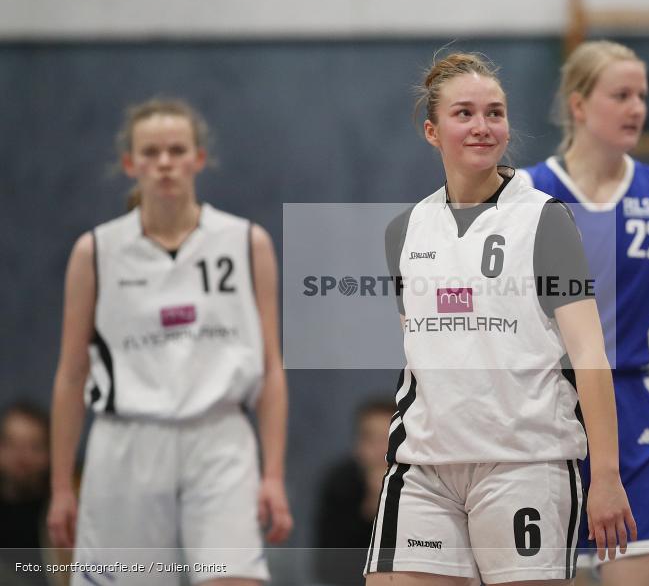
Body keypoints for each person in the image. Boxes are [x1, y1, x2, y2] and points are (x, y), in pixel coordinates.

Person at [365, 51, 636, 586]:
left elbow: (589, 354)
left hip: (525, 464)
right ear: (431, 131)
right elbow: (418, 356)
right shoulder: (405, 230)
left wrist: (605, 473)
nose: (483, 127)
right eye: (464, 113)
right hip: (425, 468)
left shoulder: (544, 220)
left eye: (495, 113)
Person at [46, 98, 293, 586]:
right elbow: (72, 374)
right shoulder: (95, 252)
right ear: (129, 163)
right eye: (151, 151)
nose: (164, 163)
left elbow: (271, 366)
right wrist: (60, 486)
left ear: (198, 159)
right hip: (128, 441)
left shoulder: (247, 242)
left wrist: (273, 474)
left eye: (177, 150)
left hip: (220, 438)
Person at [524, 40, 649, 586]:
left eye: (642, 95)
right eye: (621, 95)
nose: (636, 107)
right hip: (548, 414)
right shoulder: (526, 192)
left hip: (634, 415)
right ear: (579, 105)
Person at [314, 399, 394, 586]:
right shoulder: (341, 484)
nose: (381, 449)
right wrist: (370, 509)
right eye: (371, 440)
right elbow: (327, 567)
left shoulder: (425, 484)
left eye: (389, 439)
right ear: (358, 445)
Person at [0, 401, 51, 585]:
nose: (21, 457)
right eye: (11, 444)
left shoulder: (61, 520)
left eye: (34, 446)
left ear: (49, 454)